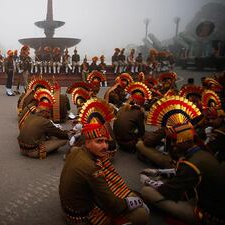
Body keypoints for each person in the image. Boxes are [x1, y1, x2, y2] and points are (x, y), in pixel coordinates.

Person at [59, 98, 149, 225]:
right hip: (81, 216)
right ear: (88, 143)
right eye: (99, 141)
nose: (105, 146)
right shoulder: (92, 168)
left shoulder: (75, 151)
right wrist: (133, 201)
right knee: (142, 215)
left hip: (68, 208)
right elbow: (113, 205)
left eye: (106, 141)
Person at [140, 95, 225, 225]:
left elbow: (169, 191)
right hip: (211, 201)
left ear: (184, 142)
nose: (172, 145)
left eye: (175, 141)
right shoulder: (201, 152)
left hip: (208, 214)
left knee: (146, 191)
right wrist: (158, 172)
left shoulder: (191, 164)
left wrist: (150, 181)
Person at [17, 88, 69, 159]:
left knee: (44, 133)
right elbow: (59, 133)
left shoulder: (31, 116)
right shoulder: (45, 121)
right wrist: (68, 135)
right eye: (48, 113)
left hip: (21, 149)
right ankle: (43, 151)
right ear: (46, 112)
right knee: (64, 141)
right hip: (33, 152)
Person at [113, 82, 150, 153]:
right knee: (148, 136)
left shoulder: (122, 108)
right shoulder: (139, 112)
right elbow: (141, 132)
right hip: (129, 145)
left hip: (118, 142)